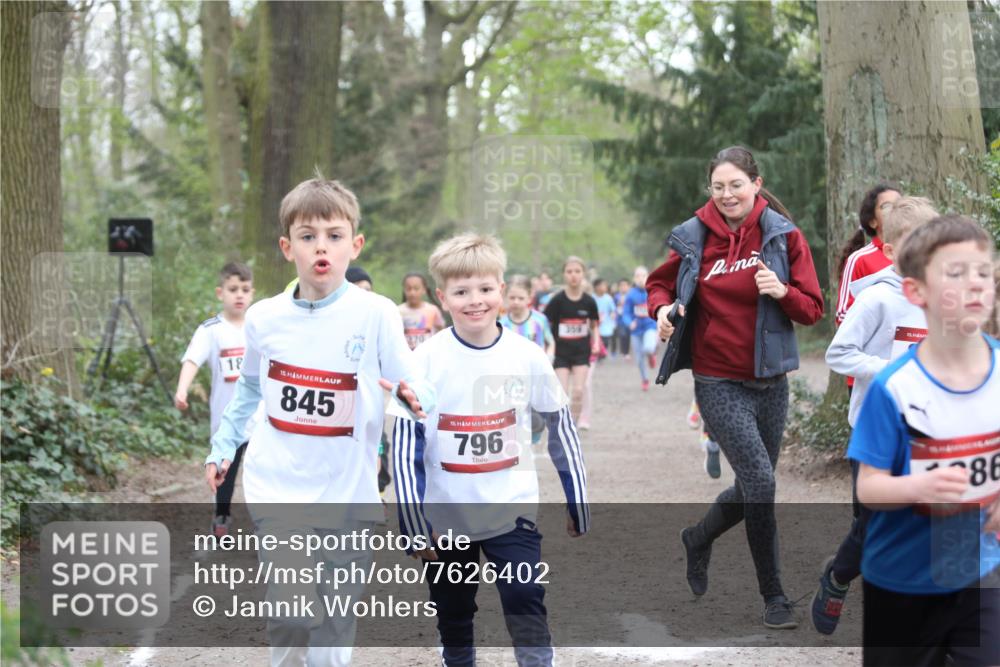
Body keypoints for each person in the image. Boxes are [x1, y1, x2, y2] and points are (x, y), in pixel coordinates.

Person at [204, 175, 433, 667]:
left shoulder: (375, 314)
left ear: (356, 244)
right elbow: (248, 389)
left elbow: (411, 378)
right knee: (290, 610)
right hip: (279, 483)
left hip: (349, 489)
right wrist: (223, 447)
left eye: (333, 235)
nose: (320, 247)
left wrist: (416, 395)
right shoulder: (264, 318)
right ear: (288, 248)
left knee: (333, 616)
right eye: (307, 237)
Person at [392, 233, 589, 667]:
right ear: (443, 297)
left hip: (510, 510)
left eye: (484, 289)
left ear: (501, 291)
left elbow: (561, 426)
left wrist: (577, 498)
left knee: (524, 596)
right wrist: (413, 521)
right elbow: (406, 443)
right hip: (446, 518)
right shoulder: (423, 361)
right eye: (461, 292)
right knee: (454, 610)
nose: (474, 300)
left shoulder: (528, 356)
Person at [648, 146, 824, 628]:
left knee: (752, 486)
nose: (727, 194)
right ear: (711, 190)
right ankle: (774, 597)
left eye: (736, 185)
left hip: (771, 381)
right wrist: (662, 311)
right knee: (763, 483)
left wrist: (782, 292)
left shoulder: (783, 236)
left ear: (756, 184)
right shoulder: (692, 236)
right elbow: (659, 285)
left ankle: (698, 537)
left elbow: (812, 308)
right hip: (717, 378)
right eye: (718, 187)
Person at [846, 214, 999, 666]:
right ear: (916, 292)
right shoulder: (895, 387)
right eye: (956, 273)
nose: (975, 285)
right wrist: (918, 487)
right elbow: (868, 487)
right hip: (900, 583)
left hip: (980, 573)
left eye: (984, 272)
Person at [813, 196, 939, 635]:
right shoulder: (877, 301)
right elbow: (839, 352)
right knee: (874, 525)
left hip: (930, 433)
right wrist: (892, 371)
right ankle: (838, 576)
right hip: (876, 432)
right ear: (889, 251)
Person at [175, 261, 257, 538]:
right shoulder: (211, 330)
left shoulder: (260, 327)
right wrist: (182, 389)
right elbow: (191, 360)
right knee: (225, 474)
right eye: (233, 289)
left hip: (261, 420)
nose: (239, 295)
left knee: (264, 473)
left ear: (252, 293)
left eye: (245, 289)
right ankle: (221, 517)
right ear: (220, 293)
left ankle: (270, 523)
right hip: (227, 421)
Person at [835, 183, 902, 394]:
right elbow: (843, 314)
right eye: (887, 206)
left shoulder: (916, 257)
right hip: (869, 375)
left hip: (907, 374)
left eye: (900, 205)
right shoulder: (860, 259)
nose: (895, 210)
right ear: (872, 220)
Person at [500, 274, 556, 444]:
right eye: (512, 298)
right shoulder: (502, 324)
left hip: (535, 376)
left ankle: (534, 434)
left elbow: (550, 342)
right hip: (512, 378)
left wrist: (548, 360)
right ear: (505, 297)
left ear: (529, 297)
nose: (516, 301)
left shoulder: (539, 320)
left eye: (520, 298)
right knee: (514, 412)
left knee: (536, 416)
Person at [546, 257, 601, 422]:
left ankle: (573, 426)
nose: (573, 275)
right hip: (561, 353)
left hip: (581, 353)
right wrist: (548, 345)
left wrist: (596, 342)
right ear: (564, 275)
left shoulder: (589, 302)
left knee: (578, 391)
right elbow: (545, 325)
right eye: (569, 272)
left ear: (583, 274)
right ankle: (562, 423)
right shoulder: (557, 301)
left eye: (577, 271)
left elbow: (594, 325)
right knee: (561, 393)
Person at [621, 266, 657, 391]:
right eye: (638, 276)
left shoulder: (652, 291)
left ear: (648, 276)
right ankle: (645, 379)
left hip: (650, 326)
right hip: (636, 331)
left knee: (648, 347)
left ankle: (651, 354)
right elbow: (626, 313)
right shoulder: (631, 295)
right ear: (634, 279)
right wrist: (629, 322)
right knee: (639, 359)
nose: (641, 278)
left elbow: (659, 306)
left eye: (643, 275)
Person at [399, 272, 447, 350]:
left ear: (424, 290)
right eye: (408, 289)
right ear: (404, 290)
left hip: (428, 354)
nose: (412, 292)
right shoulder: (398, 311)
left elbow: (442, 331)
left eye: (416, 288)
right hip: (406, 355)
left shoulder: (432, 310)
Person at [593, 278, 617, 355]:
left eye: (605, 285)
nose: (605, 287)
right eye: (603, 285)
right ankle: (598, 353)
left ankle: (602, 352)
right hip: (595, 323)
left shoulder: (608, 298)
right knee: (596, 338)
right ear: (597, 287)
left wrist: (613, 314)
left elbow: (613, 310)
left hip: (606, 323)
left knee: (605, 340)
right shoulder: (592, 298)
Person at [614, 278, 632, 358]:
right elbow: (613, 307)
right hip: (620, 319)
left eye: (625, 285)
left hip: (629, 319)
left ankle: (626, 352)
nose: (623, 287)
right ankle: (623, 351)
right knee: (622, 335)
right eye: (621, 286)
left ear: (628, 286)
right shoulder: (616, 297)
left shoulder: (631, 296)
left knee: (628, 335)